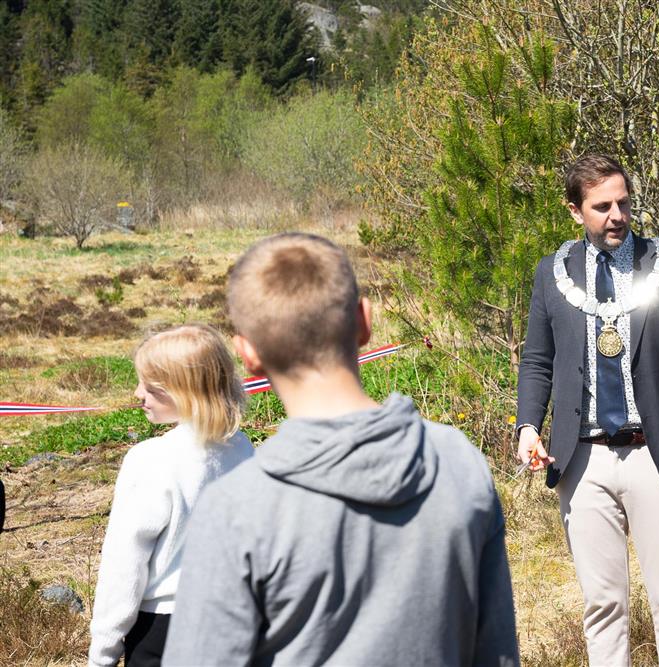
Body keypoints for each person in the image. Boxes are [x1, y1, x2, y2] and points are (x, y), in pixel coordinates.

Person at [162, 233, 519, 666]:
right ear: (365, 322)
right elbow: (497, 651)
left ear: (247, 355)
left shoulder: (234, 510)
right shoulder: (458, 461)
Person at [516, 154, 659, 666]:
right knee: (603, 607)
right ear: (575, 211)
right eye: (602, 206)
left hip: (654, 454)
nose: (617, 215)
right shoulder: (552, 275)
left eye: (624, 203)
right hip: (582, 461)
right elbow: (537, 360)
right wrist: (527, 426)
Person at [89, 324, 253, 667]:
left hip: (163, 632)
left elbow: (124, 564)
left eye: (150, 386)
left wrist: (103, 652)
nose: (137, 393)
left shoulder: (151, 459)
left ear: (185, 390)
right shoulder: (243, 448)